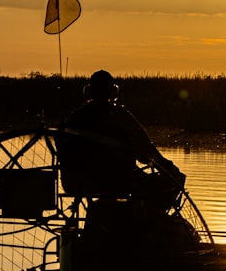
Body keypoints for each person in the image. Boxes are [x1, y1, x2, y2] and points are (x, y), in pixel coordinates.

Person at [60, 69, 184, 206]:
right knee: (161, 184)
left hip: (77, 182)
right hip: (118, 180)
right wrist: (168, 168)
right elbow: (145, 149)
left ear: (88, 91)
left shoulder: (76, 117)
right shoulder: (120, 116)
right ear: (113, 92)